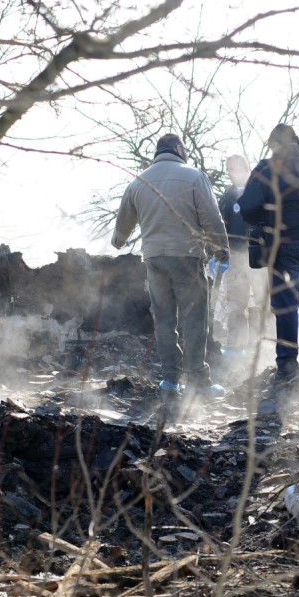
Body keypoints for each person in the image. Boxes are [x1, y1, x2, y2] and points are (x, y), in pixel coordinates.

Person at [112, 133, 230, 398]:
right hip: (186, 257)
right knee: (194, 319)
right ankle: (198, 381)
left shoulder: (138, 181)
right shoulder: (194, 176)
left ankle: (170, 381)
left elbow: (123, 224)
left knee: (164, 320)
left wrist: (118, 241)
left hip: (154, 259)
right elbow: (211, 217)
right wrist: (221, 250)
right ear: (178, 149)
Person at [236, 124, 299, 384]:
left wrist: (263, 217)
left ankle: (287, 365)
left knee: (285, 303)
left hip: (285, 242)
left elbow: (248, 206)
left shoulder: (268, 167)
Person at [216, 154, 268, 356]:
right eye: (227, 169)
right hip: (235, 257)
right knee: (235, 305)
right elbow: (220, 226)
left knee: (265, 303)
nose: (230, 173)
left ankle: (266, 349)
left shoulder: (261, 191)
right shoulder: (227, 196)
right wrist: (217, 253)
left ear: (246, 167)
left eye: (234, 168)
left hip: (259, 257)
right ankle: (235, 349)